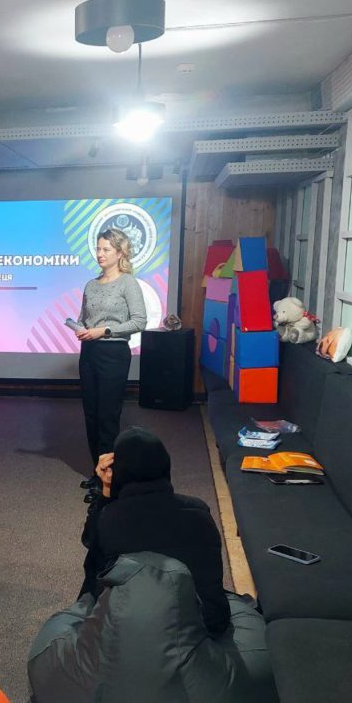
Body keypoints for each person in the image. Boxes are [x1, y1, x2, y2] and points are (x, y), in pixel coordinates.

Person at [80, 426, 232, 636]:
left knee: (79, 602)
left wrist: (106, 492)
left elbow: (90, 550)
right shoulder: (200, 511)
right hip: (204, 629)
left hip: (133, 633)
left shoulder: (110, 518)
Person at [74, 228, 147, 502]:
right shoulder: (91, 285)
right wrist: (80, 328)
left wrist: (104, 331)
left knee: (107, 417)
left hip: (113, 353)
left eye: (106, 249)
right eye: (98, 248)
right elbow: (83, 318)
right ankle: (98, 472)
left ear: (119, 253)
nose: (100, 254)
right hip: (89, 353)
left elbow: (139, 321)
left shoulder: (128, 283)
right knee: (91, 416)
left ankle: (108, 478)